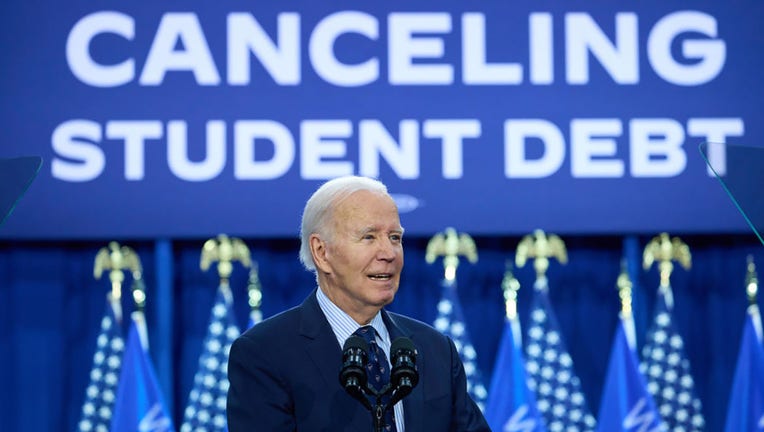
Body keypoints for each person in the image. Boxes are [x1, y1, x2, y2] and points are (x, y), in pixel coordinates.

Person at [227, 175, 491, 432]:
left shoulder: (435, 350)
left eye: (395, 238)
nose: (388, 253)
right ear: (322, 252)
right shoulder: (264, 354)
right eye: (369, 237)